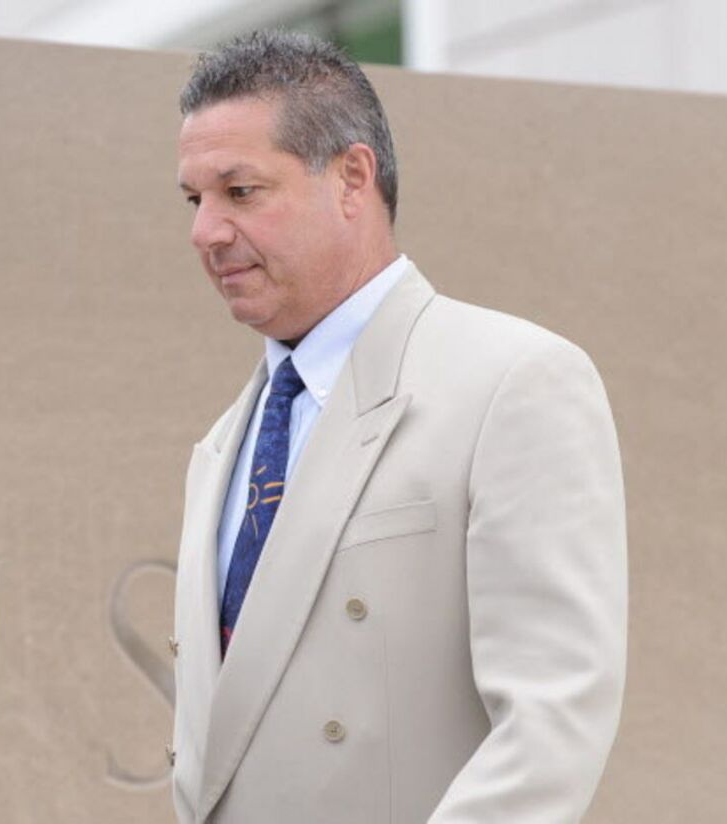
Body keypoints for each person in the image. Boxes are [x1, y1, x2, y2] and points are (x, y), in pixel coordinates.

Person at [170, 29, 626, 824]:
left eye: (240, 192)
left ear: (352, 178)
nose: (205, 232)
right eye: (194, 199)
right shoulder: (218, 449)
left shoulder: (513, 381)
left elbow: (553, 723)